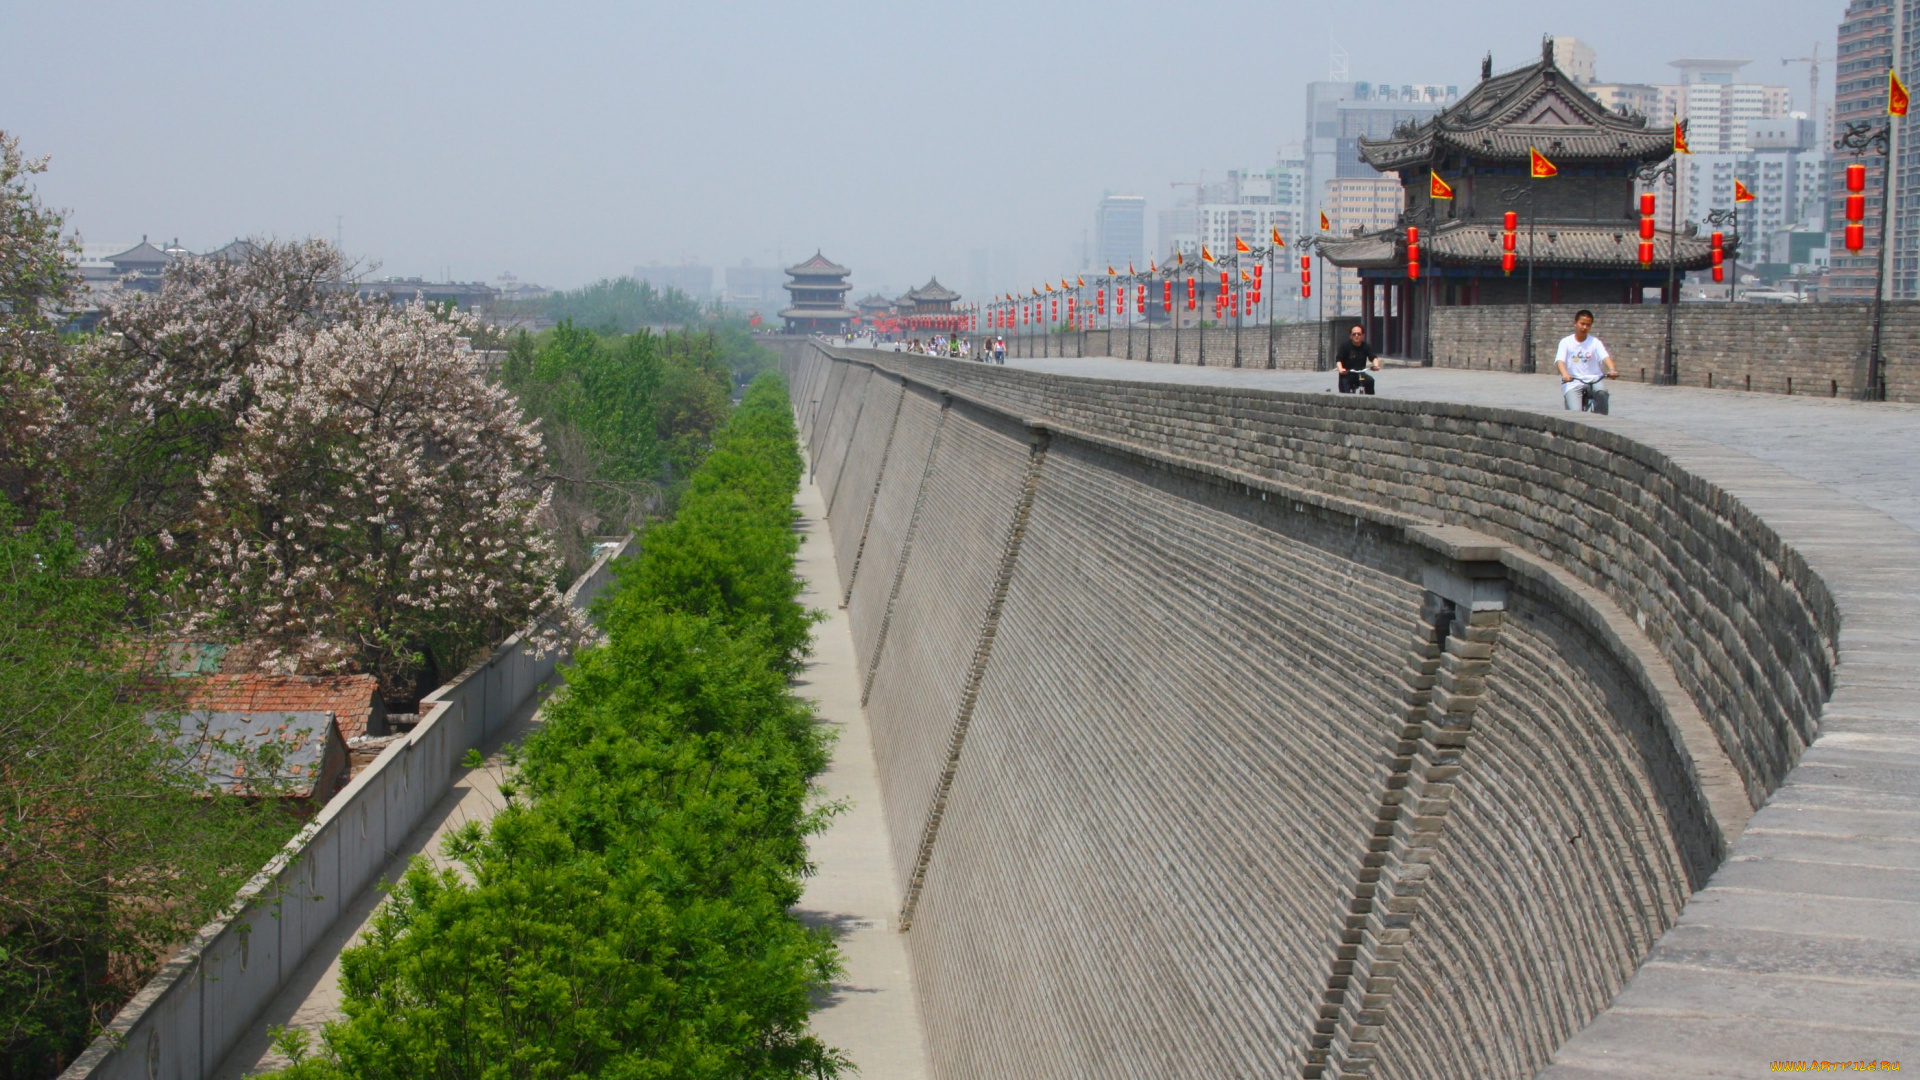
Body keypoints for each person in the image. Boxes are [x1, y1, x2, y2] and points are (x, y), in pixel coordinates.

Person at [1554, 309, 1618, 413]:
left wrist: (1612, 369)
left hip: (1594, 379)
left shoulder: (1595, 342)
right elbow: (1560, 361)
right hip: (1573, 381)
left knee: (1602, 393)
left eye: (1588, 325)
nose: (1584, 327)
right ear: (1575, 323)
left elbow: (1605, 357)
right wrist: (1565, 374)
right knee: (1575, 413)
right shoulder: (1565, 342)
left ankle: (1601, 419)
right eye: (1582, 324)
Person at [1335, 324, 1380, 394]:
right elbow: (1339, 360)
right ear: (1350, 336)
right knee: (1345, 393)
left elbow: (1373, 357)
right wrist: (1341, 369)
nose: (1356, 336)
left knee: (1370, 381)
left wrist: (1376, 366)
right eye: (1354, 334)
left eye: (1359, 334)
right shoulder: (1345, 346)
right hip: (1347, 374)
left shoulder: (1366, 346)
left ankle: (1370, 399)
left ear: (1363, 336)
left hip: (1360, 374)